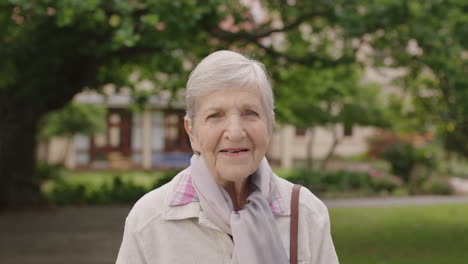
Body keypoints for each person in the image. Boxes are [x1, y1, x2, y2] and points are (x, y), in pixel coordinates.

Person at [116, 50, 339, 264]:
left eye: (250, 113)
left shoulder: (306, 213)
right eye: (215, 115)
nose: (235, 132)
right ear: (192, 131)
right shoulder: (149, 221)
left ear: (270, 124)